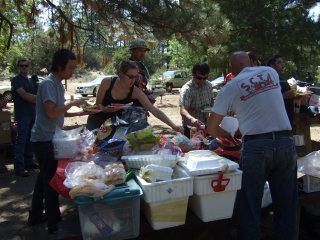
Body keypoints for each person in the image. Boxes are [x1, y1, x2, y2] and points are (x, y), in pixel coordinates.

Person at [207, 51, 297, 240]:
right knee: (286, 206)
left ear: (231, 69)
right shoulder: (270, 72)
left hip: (256, 147)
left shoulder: (230, 86)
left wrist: (230, 135)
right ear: (252, 63)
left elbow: (212, 128)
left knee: (249, 207)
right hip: (284, 142)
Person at [28, 49, 89, 234]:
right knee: (51, 181)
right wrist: (72, 103)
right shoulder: (48, 84)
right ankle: (53, 224)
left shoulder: (58, 84)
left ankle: (35, 215)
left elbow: (59, 110)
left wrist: (83, 112)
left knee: (43, 179)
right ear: (60, 66)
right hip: (43, 140)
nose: (72, 72)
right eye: (70, 67)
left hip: (50, 138)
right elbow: (52, 112)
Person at [86, 60, 183, 133]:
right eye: (130, 77)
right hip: (96, 122)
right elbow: (97, 106)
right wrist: (106, 109)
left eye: (136, 77)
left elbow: (155, 111)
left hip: (112, 126)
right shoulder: (107, 82)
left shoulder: (135, 91)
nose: (133, 80)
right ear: (121, 74)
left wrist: (174, 126)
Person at [11, 58, 38, 177]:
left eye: (26, 65)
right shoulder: (16, 80)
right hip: (22, 115)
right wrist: (40, 99)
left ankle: (29, 162)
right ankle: (19, 167)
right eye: (21, 65)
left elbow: (35, 95)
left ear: (29, 67)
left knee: (30, 140)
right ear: (18, 67)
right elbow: (25, 96)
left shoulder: (31, 81)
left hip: (33, 114)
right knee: (21, 140)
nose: (24, 67)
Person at [179, 62, 213, 138]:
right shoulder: (187, 89)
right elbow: (183, 110)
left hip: (206, 126)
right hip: (191, 128)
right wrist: (192, 119)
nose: (202, 81)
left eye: (205, 78)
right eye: (199, 78)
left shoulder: (208, 86)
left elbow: (210, 104)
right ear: (193, 74)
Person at [267, 55, 295, 126]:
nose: (283, 65)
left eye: (283, 62)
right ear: (272, 66)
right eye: (279, 63)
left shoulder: (281, 79)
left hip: (288, 117)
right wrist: (284, 96)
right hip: (278, 121)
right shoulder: (268, 80)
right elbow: (268, 99)